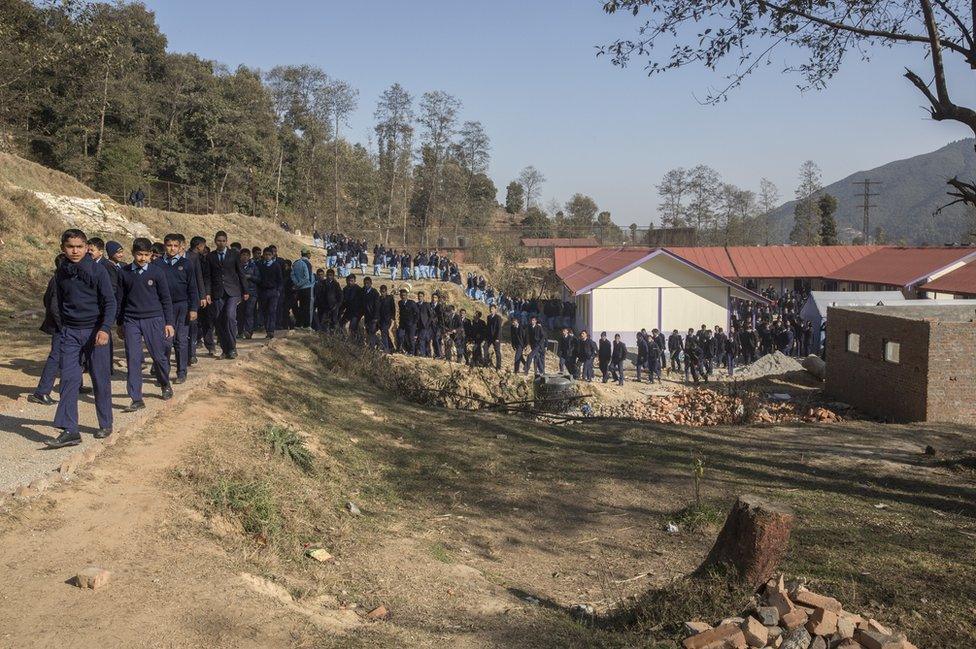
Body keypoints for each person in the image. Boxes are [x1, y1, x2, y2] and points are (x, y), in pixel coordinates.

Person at [45, 230, 117, 447]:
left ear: (87, 247)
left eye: (79, 246)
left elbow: (110, 302)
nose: (74, 251)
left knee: (100, 379)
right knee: (69, 380)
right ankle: (70, 430)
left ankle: (105, 423)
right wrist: (62, 327)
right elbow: (55, 302)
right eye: (70, 246)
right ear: (62, 248)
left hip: (96, 333)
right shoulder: (61, 273)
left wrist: (105, 329)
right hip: (70, 333)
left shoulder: (98, 271)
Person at [117, 237, 175, 414]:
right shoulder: (124, 272)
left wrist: (169, 323)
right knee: (133, 359)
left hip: (154, 319)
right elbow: (120, 299)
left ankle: (165, 384)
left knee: (159, 356)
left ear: (151, 255)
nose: (142, 258)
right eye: (139, 254)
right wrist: (119, 323)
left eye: (146, 255)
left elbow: (166, 299)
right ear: (133, 253)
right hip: (131, 320)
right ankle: (136, 398)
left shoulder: (157, 273)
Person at [156, 234, 199, 384]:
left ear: (180, 247)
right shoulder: (157, 264)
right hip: (163, 308)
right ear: (164, 246)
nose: (172, 248)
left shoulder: (186, 264)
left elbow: (193, 288)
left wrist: (193, 308)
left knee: (181, 340)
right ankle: (164, 372)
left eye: (175, 246)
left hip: (182, 306)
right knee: (165, 341)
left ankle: (181, 372)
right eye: (169, 245)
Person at [202, 231, 248, 359]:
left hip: (232, 292)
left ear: (226, 241)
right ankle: (225, 349)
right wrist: (207, 293)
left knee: (230, 317)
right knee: (219, 321)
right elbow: (208, 277)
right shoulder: (210, 256)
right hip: (217, 293)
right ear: (215, 241)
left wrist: (245, 291)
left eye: (223, 240)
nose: (221, 243)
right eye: (218, 241)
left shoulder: (234, 254)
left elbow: (241, 273)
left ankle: (232, 348)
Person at [256, 246, 284, 339]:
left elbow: (280, 279)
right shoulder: (260, 265)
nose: (267, 256)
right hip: (263, 292)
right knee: (264, 311)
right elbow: (258, 279)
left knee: (272, 311)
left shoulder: (276, 265)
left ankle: (270, 331)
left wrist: (278, 290)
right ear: (263, 255)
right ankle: (266, 328)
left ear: (272, 255)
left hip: (273, 291)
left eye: (269, 255)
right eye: (266, 254)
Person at [291, 248, 315, 329]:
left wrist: (297, 284)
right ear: (307, 254)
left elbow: (292, 275)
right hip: (307, 287)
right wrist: (299, 284)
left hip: (299, 289)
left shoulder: (296, 263)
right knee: (307, 307)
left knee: (301, 306)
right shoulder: (307, 263)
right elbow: (307, 278)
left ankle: (298, 324)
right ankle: (307, 325)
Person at [238, 248, 259, 338]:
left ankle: (249, 331)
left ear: (249, 256)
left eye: (247, 255)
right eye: (243, 255)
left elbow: (259, 279)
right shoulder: (237, 266)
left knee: (249, 312)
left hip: (252, 292)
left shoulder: (253, 266)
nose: (245, 257)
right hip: (240, 293)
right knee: (240, 312)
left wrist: (250, 277)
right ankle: (240, 332)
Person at [340, 274, 363, 339]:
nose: (349, 282)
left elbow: (362, 303)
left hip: (356, 312)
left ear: (355, 281)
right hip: (348, 310)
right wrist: (341, 310)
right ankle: (344, 338)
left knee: (352, 328)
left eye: (351, 281)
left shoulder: (359, 290)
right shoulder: (345, 289)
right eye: (348, 281)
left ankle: (355, 342)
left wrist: (360, 313)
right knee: (340, 324)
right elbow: (344, 302)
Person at [396, 289, 418, 354]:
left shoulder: (411, 303)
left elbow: (417, 313)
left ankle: (411, 352)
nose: (403, 297)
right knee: (400, 335)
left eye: (404, 295)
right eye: (401, 295)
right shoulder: (400, 303)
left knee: (410, 338)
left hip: (411, 324)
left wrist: (414, 322)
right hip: (403, 324)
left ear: (406, 296)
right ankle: (402, 349)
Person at [361, 276, 380, 348]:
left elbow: (377, 306)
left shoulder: (375, 293)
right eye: (365, 283)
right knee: (368, 331)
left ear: (371, 283)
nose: (366, 285)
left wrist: (375, 317)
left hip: (373, 316)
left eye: (368, 283)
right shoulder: (364, 291)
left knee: (372, 331)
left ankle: (372, 347)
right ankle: (377, 343)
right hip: (367, 315)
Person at [377, 284, 396, 352]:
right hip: (381, 319)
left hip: (388, 319)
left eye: (384, 291)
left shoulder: (390, 298)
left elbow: (393, 308)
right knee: (385, 333)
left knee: (383, 332)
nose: (383, 293)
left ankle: (386, 348)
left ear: (386, 291)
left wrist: (393, 317)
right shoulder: (379, 299)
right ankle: (391, 347)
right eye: (382, 292)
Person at [485, 304, 503, 370]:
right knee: (485, 347)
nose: (491, 310)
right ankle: (486, 363)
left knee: (497, 352)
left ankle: (498, 366)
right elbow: (488, 327)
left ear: (495, 309)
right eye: (490, 308)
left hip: (496, 338)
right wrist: (486, 337)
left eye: (492, 309)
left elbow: (499, 329)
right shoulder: (488, 317)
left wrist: (498, 338)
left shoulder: (498, 317)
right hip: (489, 337)